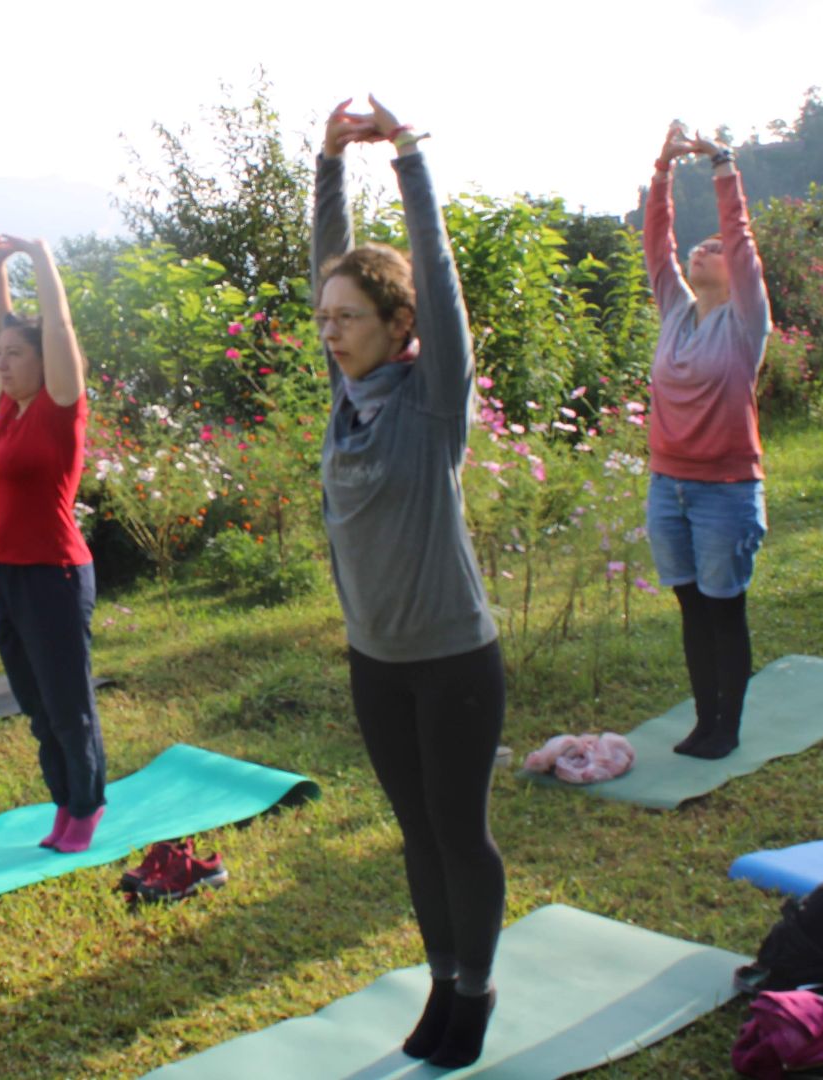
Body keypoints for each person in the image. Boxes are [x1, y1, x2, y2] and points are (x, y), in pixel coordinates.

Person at [315, 96, 504, 1068]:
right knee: (414, 834)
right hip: (376, 661)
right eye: (327, 318)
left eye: (349, 318)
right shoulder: (346, 400)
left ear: (398, 325)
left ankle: (476, 992)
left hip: (452, 657)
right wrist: (326, 165)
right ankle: (440, 979)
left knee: (457, 832)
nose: (332, 331)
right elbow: (328, 265)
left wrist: (411, 159)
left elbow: (438, 281)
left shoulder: (430, 402)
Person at [640, 121, 773, 759]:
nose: (705, 248)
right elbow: (657, 242)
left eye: (717, 247)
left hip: (725, 490)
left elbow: (742, 242)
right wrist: (662, 169)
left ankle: (730, 727)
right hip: (668, 486)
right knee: (692, 609)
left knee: (724, 610)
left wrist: (722, 166)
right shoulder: (674, 308)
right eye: (703, 244)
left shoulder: (746, 320)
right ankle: (704, 721)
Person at [0, 233, 106, 854]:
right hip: (5, 573)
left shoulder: (59, 407)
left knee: (67, 701)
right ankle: (62, 801)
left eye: (14, 355)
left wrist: (39, 257)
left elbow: (59, 321)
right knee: (33, 701)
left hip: (53, 573)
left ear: (43, 362)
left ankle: (86, 806)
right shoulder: (9, 409)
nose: (1, 363)